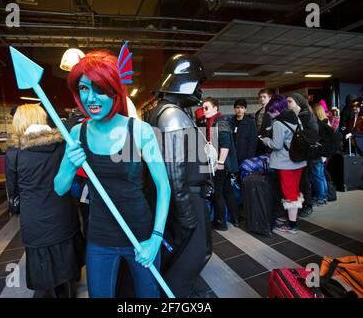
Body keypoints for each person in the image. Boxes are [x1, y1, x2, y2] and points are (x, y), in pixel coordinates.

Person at [54, 50, 171, 298]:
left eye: (99, 89)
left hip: (141, 234)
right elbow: (60, 188)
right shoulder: (77, 132)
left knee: (148, 297)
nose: (91, 98)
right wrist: (69, 165)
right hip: (99, 238)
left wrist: (155, 239)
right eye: (84, 89)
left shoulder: (140, 131)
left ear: (114, 90)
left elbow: (164, 186)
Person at [145, 53, 212, 297]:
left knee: (187, 254)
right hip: (185, 198)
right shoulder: (172, 114)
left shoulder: (163, 111)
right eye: (198, 82)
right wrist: (186, 212)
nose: (200, 89)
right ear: (185, 81)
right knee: (193, 256)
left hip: (182, 196)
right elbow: (175, 170)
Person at [5, 104, 85, 298]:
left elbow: (13, 189)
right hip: (64, 212)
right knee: (67, 257)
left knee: (44, 269)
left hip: (35, 218)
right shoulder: (62, 145)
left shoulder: (14, 153)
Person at [260, 95, 306, 234]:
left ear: (276, 110)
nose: (269, 114)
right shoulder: (295, 118)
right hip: (298, 161)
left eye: (271, 111)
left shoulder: (278, 123)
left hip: (286, 163)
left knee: (290, 194)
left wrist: (265, 140)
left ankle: (292, 226)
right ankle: (291, 220)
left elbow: (277, 145)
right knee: (294, 191)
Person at [203, 97, 239, 230]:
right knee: (227, 191)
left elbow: (225, 144)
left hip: (222, 163)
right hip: (223, 163)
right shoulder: (214, 122)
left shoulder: (220, 122)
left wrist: (220, 162)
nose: (204, 110)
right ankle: (235, 218)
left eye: (206, 107)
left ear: (215, 108)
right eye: (203, 108)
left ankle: (221, 222)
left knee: (218, 192)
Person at [287, 93, 318, 217]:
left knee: (305, 181)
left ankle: (307, 205)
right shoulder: (293, 116)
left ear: (298, 103)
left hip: (305, 154)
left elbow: (312, 134)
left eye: (290, 101)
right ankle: (299, 204)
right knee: (298, 181)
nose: (287, 104)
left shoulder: (307, 116)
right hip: (296, 153)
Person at [310, 104, 330, 206]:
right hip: (324, 154)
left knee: (317, 176)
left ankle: (320, 198)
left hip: (317, 154)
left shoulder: (319, 125)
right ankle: (324, 196)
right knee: (321, 176)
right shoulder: (327, 123)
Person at [229, 98, 258, 165]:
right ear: (234, 109)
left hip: (245, 155)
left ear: (245, 109)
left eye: (242, 108)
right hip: (233, 155)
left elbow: (253, 141)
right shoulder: (230, 121)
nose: (239, 110)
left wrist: (250, 157)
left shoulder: (250, 122)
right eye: (237, 107)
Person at [255, 89, 273, 155]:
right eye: (260, 97)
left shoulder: (273, 111)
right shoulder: (258, 112)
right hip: (259, 141)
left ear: (270, 98)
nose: (262, 99)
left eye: (264, 97)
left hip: (269, 141)